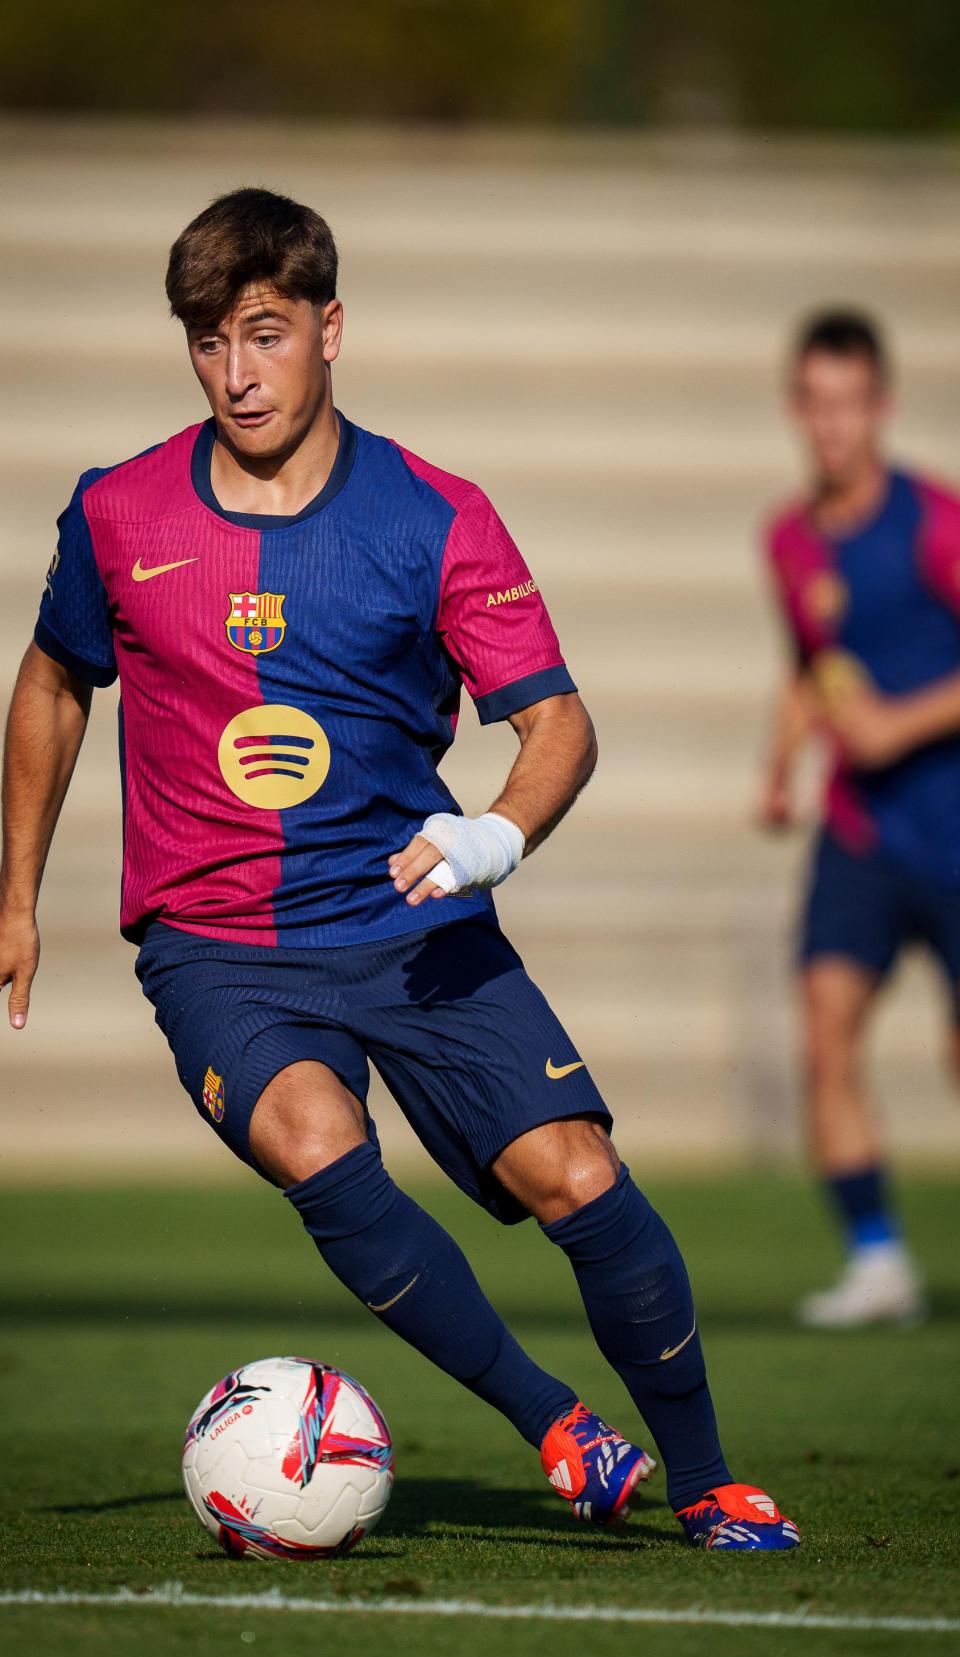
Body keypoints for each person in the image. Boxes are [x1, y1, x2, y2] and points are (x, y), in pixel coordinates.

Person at [1, 187, 797, 1550]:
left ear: (330, 327)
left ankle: (712, 1478)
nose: (237, 371)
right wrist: (15, 890)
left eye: (265, 333)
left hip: (413, 918)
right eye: (208, 340)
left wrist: (497, 830)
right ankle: (556, 1421)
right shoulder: (119, 512)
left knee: (581, 1175)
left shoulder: (436, 515)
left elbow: (559, 725)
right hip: (221, 946)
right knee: (321, 1139)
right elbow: (55, 680)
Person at [760, 307, 960, 1327]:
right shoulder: (789, 538)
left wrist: (899, 723)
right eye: (815, 404)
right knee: (825, 1028)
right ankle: (877, 1257)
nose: (832, 425)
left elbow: (884, 704)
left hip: (954, 822)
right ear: (799, 408)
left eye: (850, 404)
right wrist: (783, 761)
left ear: (879, 405)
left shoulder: (934, 522)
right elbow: (809, 664)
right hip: (861, 832)